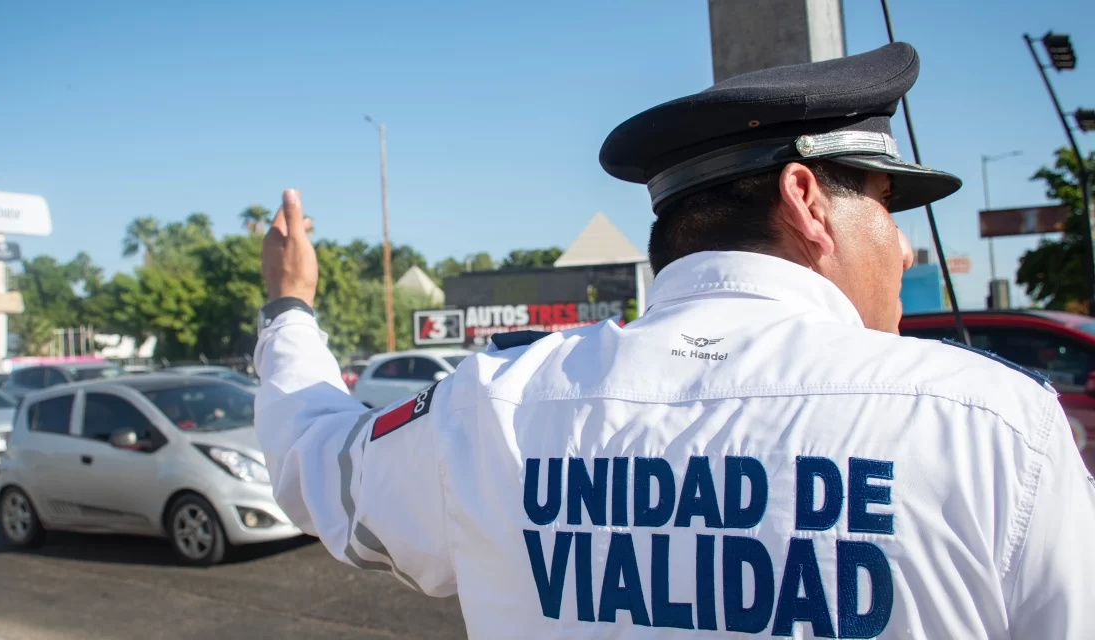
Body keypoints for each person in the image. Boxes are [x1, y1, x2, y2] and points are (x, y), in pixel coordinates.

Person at [254, 42, 1095, 638]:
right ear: (806, 198)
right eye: (884, 202)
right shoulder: (995, 428)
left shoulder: (495, 406)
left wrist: (290, 306)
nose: (904, 245)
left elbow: (317, 468)